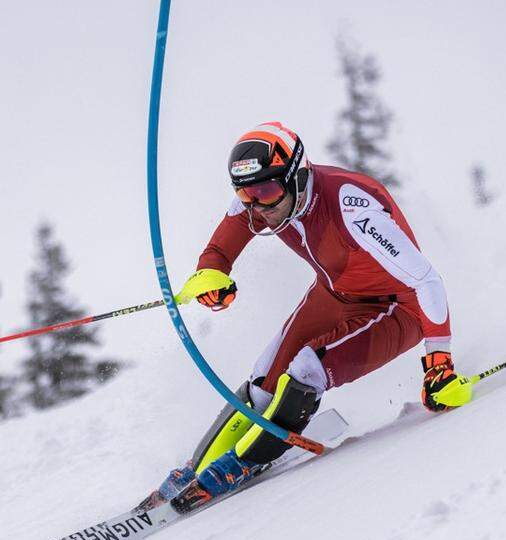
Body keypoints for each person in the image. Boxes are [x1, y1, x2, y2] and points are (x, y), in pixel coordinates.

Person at [160, 121, 466, 510]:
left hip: (396, 307)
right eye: (245, 193)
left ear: (297, 176)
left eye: (266, 192)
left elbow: (427, 280)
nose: (256, 205)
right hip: (335, 294)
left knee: (307, 370)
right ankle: (197, 465)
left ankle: (242, 461)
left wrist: (439, 363)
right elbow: (221, 249)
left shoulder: (352, 207)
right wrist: (212, 275)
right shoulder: (260, 199)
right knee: (263, 381)